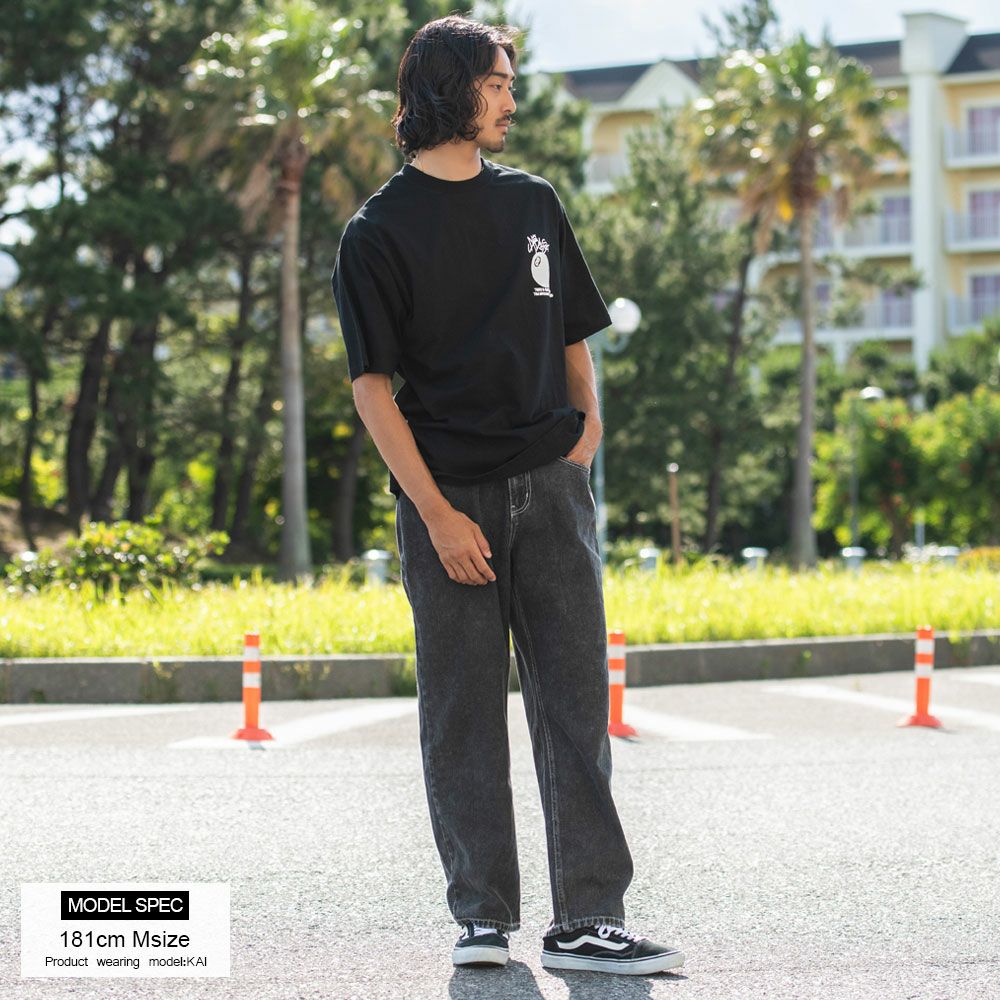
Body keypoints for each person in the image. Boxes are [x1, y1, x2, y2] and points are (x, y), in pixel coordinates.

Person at [331, 14, 685, 977]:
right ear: (450, 87)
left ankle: (590, 918)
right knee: (462, 712)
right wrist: (437, 515)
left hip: (550, 487)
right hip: (448, 501)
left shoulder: (532, 202)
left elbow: (573, 332)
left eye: (510, 82)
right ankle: (481, 917)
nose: (510, 100)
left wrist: (585, 438)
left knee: (574, 704)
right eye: (497, 82)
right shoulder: (377, 232)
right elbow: (373, 389)